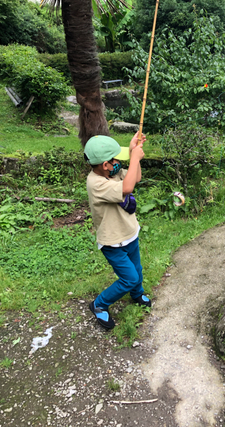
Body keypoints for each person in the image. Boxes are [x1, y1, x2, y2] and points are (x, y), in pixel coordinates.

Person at [84, 133, 151, 330]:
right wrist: (135, 158)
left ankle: (136, 293)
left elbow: (135, 177)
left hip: (129, 233)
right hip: (113, 242)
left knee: (136, 271)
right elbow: (128, 187)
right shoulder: (96, 184)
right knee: (129, 277)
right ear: (105, 164)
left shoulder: (112, 173)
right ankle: (99, 304)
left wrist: (132, 153)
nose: (118, 163)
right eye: (116, 159)